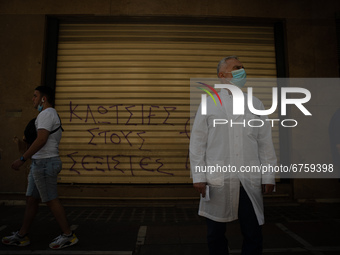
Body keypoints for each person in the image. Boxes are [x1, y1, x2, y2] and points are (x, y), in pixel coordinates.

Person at [190, 56, 276, 255]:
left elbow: (265, 143)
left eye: (242, 67)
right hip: (218, 179)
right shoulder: (208, 104)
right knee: (215, 233)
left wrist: (269, 174)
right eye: (236, 68)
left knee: (253, 232)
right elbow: (197, 143)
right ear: (222, 75)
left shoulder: (255, 103)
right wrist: (199, 176)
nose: (242, 71)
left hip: (248, 179)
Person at [2, 86, 78, 249]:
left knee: (51, 200)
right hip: (40, 163)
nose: (33, 99)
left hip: (45, 163)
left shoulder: (46, 114)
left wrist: (23, 158)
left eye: (35, 96)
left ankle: (68, 236)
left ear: (44, 98)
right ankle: (22, 235)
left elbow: (41, 139)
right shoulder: (49, 114)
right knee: (31, 200)